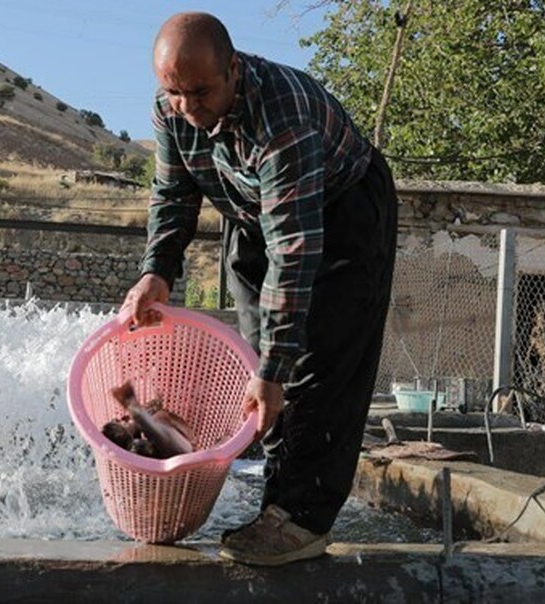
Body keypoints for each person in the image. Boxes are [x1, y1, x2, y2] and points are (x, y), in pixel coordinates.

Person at [120, 12, 398, 566]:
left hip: (341, 216)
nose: (189, 108)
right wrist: (158, 271)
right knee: (255, 364)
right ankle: (276, 499)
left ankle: (302, 521)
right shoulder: (171, 109)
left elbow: (294, 252)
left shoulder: (282, 118)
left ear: (232, 68)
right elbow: (173, 195)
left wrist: (276, 369)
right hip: (250, 217)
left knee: (312, 367)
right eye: (175, 93)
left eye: (201, 91)